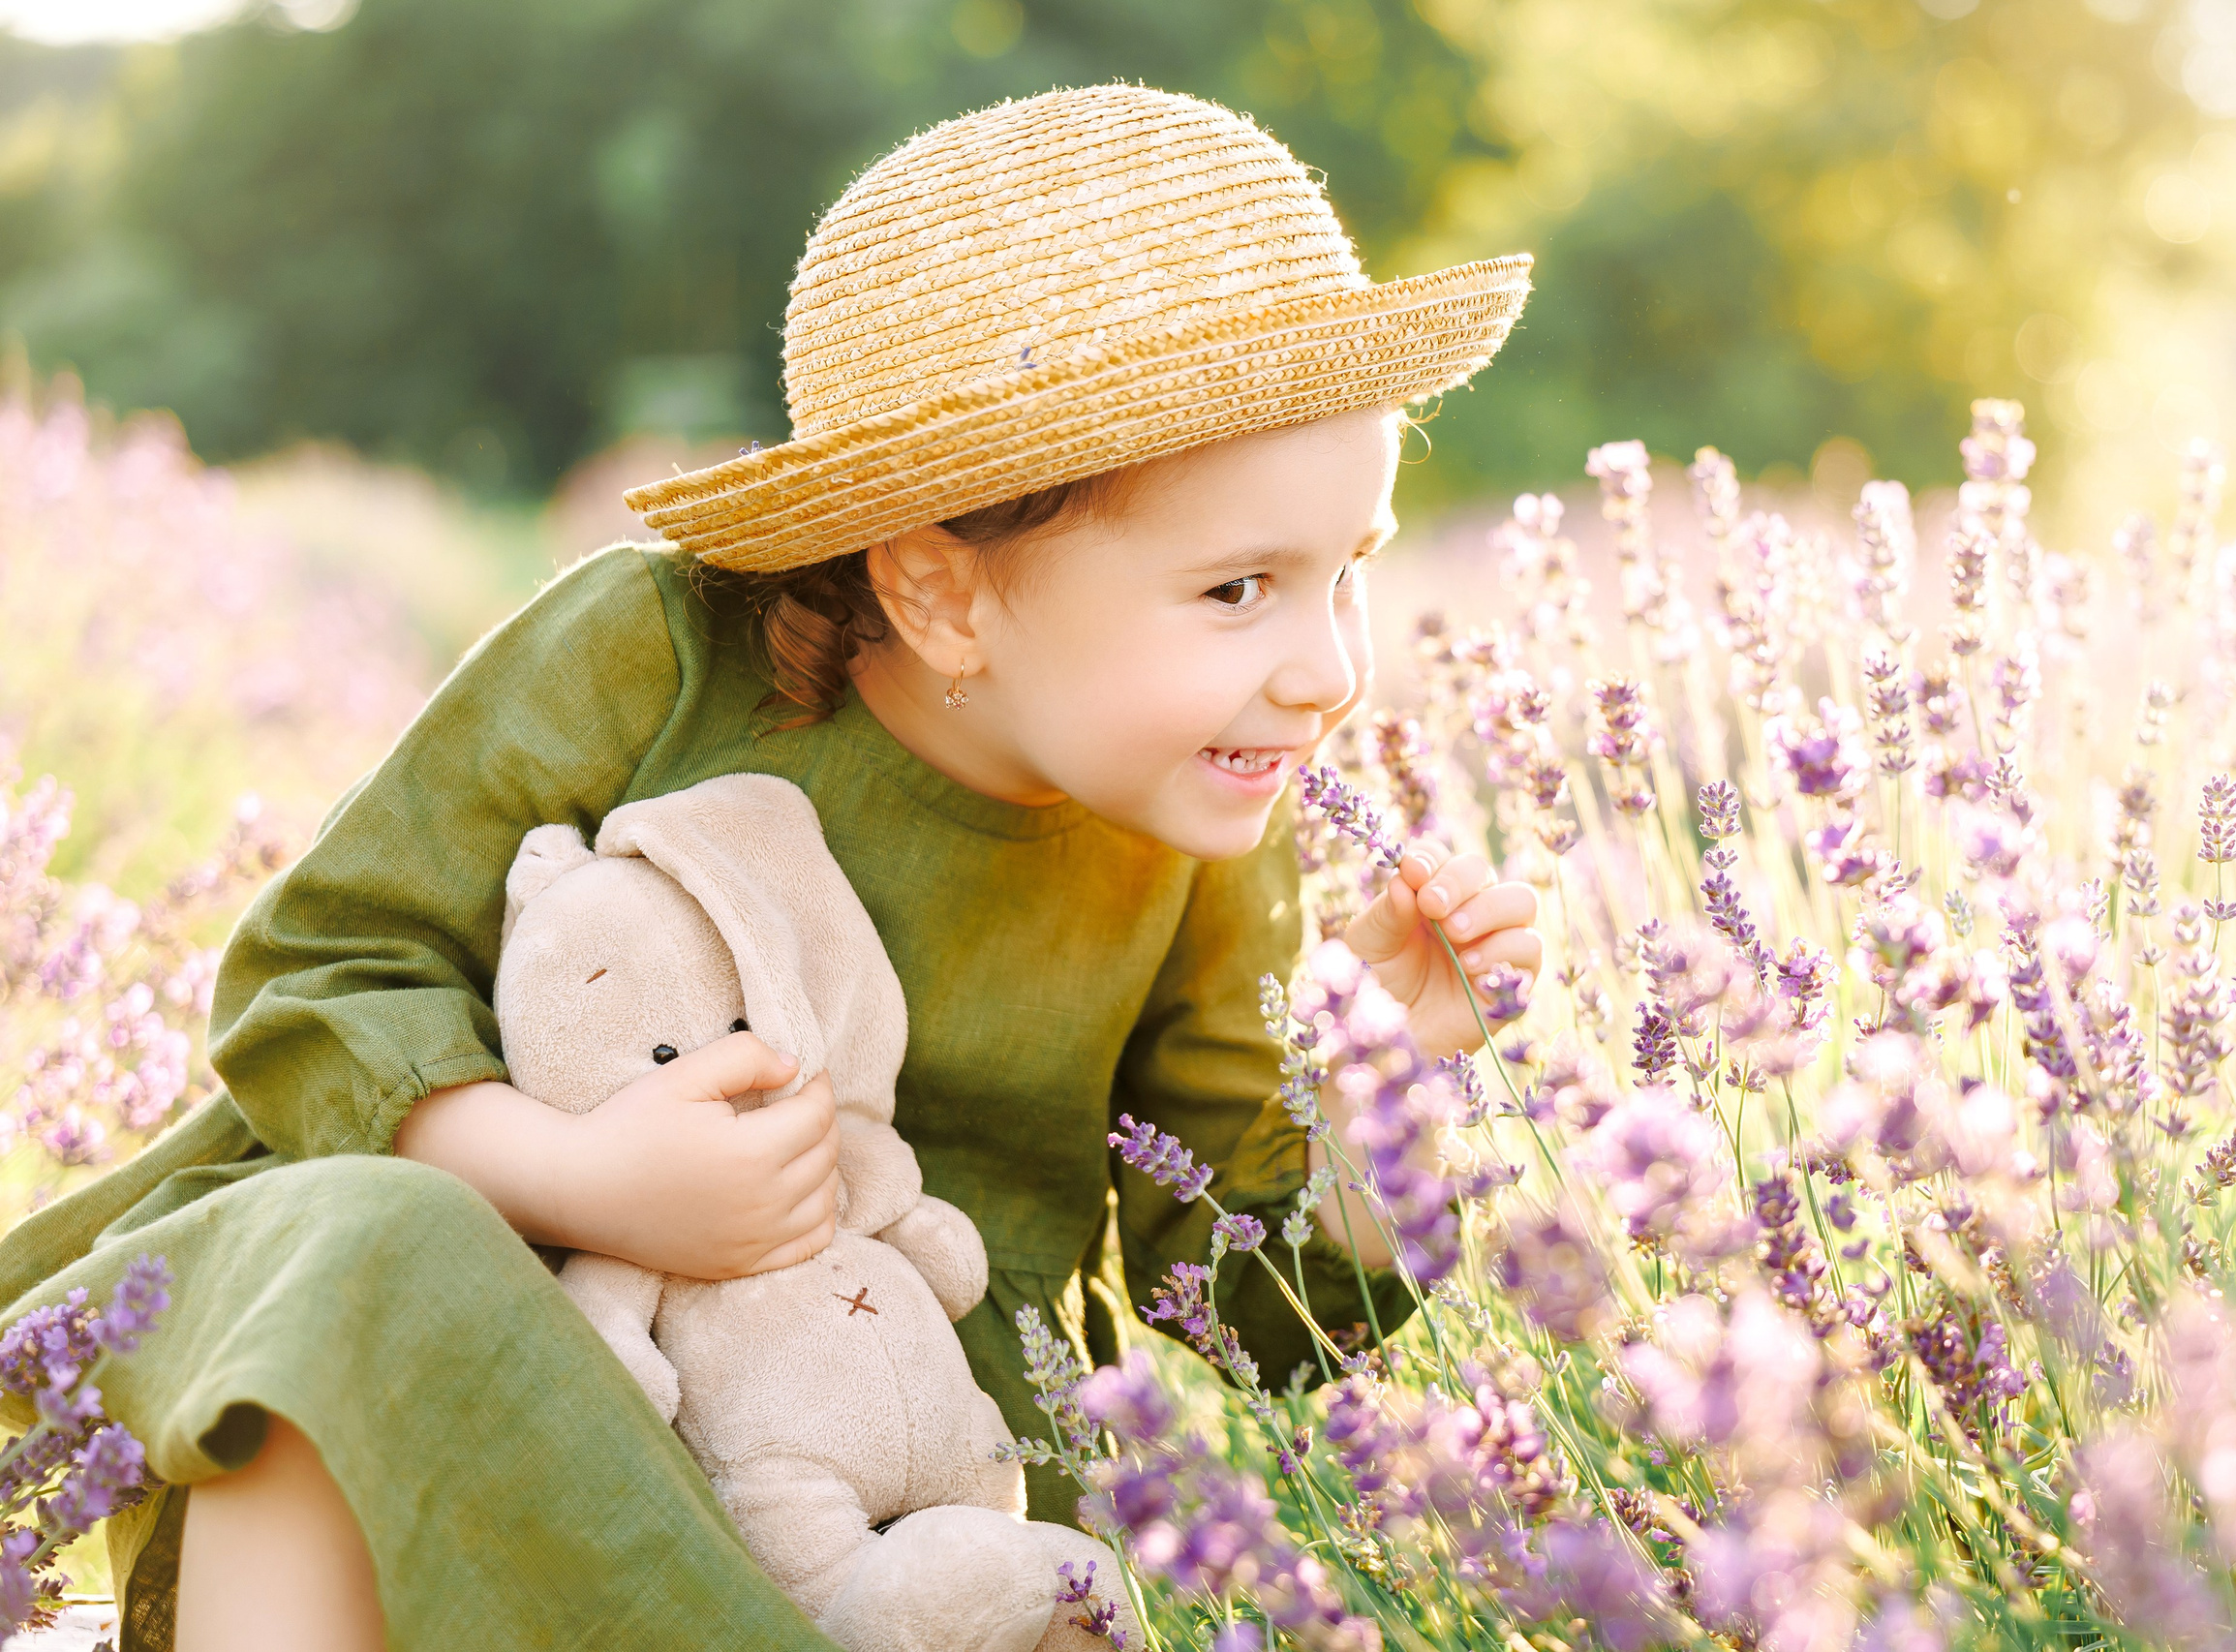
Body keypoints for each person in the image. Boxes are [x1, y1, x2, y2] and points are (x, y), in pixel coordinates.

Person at [0, 83, 1538, 1650]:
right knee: (364, 1249)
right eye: (1237, 589)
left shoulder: (1198, 827)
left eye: (1350, 570)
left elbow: (1258, 1316)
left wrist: (1373, 1111)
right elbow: (317, 979)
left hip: (891, 1516)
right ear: (942, 593)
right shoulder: (651, 653)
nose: (1329, 669)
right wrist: (584, 1178)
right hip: (518, 1402)